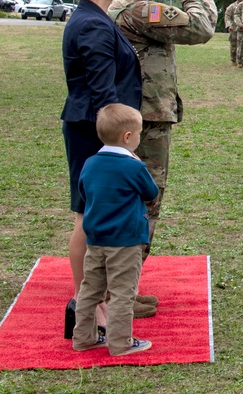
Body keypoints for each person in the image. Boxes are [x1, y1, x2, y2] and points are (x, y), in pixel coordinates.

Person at [110, 0, 217, 267]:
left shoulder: (120, 4)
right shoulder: (139, 9)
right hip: (144, 118)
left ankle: (120, 287)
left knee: (126, 198)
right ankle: (123, 291)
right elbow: (201, 27)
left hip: (129, 115)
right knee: (144, 199)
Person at [60, 0, 142, 338]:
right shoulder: (92, 23)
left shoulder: (93, 17)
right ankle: (89, 309)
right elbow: (102, 93)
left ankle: (92, 305)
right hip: (94, 131)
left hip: (91, 128)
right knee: (88, 216)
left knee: (88, 213)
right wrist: (118, 141)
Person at [72, 103, 157, 356]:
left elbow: (83, 192)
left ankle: (83, 337)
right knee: (122, 293)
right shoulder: (133, 167)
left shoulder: (90, 163)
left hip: (95, 239)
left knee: (89, 290)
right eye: (140, 133)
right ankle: (121, 342)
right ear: (128, 137)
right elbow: (151, 193)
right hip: (126, 240)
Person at [225, 0, 243, 66]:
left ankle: (241, 60)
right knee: (234, 45)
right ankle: (233, 60)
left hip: (242, 28)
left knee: (242, 45)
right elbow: (227, 16)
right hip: (234, 28)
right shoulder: (232, 6)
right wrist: (229, 25)